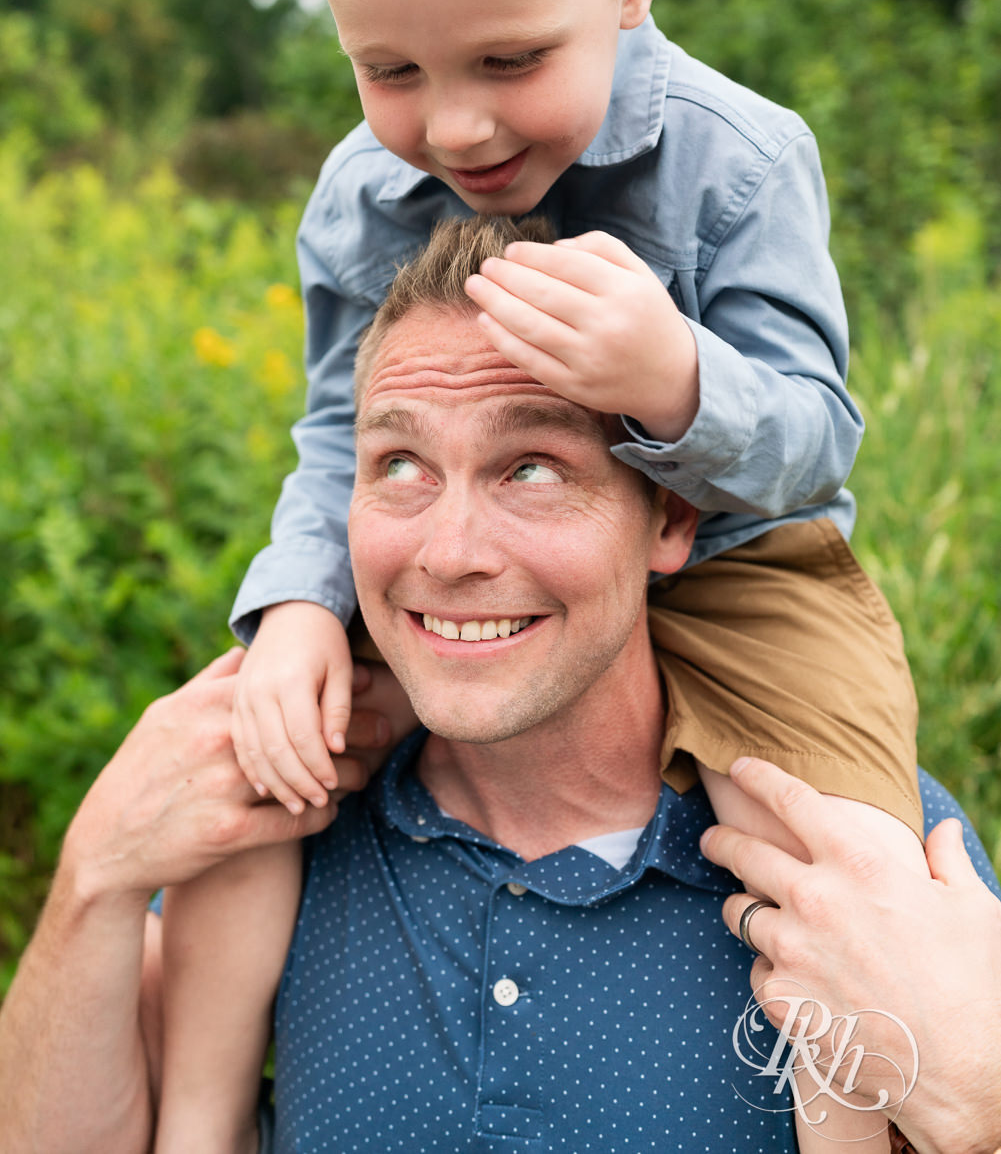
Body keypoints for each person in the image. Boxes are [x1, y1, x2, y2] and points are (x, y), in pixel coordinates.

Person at [1, 217, 999, 1154]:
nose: (450, 552)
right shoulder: (284, 824)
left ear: (668, 520)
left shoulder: (860, 867)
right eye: (398, 463)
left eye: (530, 468)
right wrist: (96, 874)